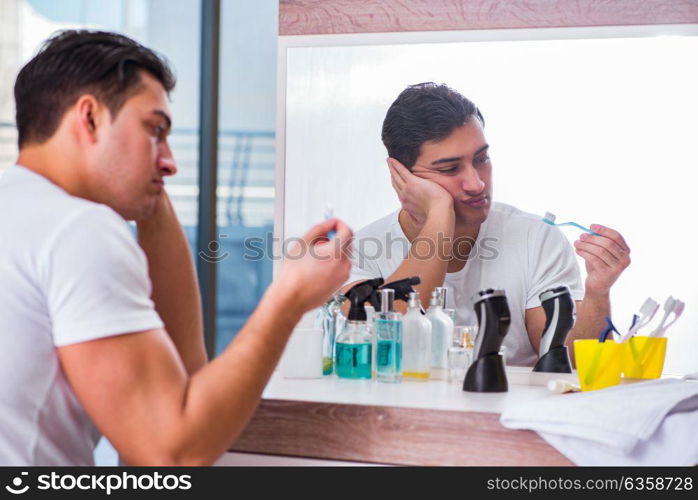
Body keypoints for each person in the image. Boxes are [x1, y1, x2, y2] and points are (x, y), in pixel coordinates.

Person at [0, 30, 352, 466]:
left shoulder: (21, 209)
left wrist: (144, 186)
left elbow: (183, 383)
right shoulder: (78, 228)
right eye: (155, 130)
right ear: (89, 117)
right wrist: (288, 298)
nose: (170, 160)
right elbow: (172, 452)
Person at [344, 83, 630, 367]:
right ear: (401, 176)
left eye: (481, 159)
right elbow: (379, 344)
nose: (477, 183)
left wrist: (597, 292)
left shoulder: (536, 237)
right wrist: (440, 216)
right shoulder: (357, 253)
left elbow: (570, 363)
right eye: (449, 169)